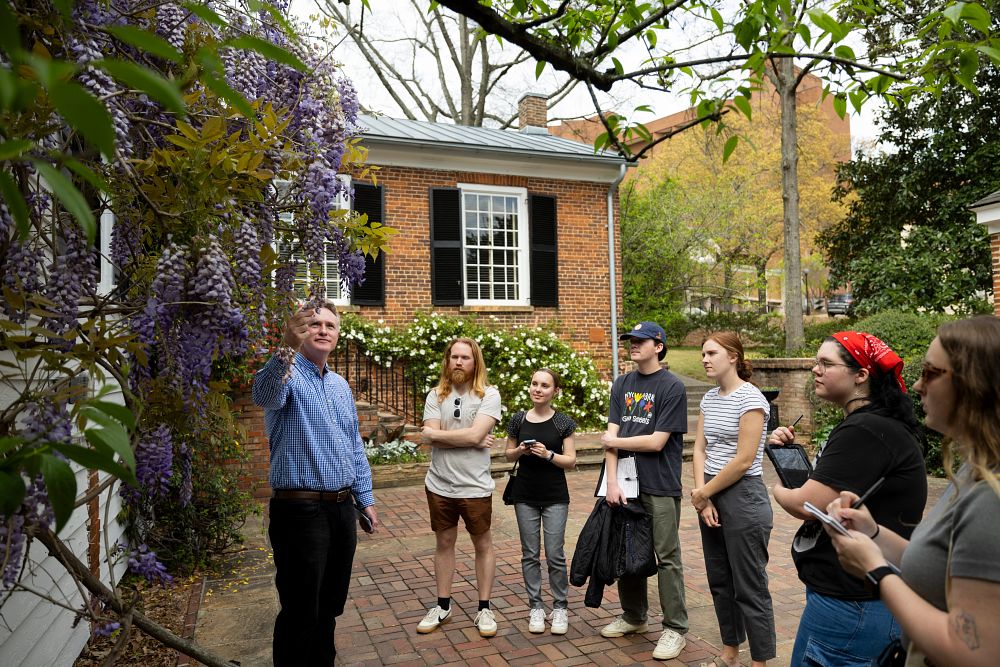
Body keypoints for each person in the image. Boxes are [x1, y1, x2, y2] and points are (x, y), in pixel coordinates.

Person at [824, 316, 1000, 667]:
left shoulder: (991, 496)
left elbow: (973, 652)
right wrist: (872, 533)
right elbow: (936, 564)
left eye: (932, 373)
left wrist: (876, 572)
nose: (918, 385)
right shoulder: (975, 470)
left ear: (974, 385)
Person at [769, 331, 927, 665]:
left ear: (861, 375)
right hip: (861, 596)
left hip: (852, 604)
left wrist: (778, 490)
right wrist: (787, 455)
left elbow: (806, 505)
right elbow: (833, 486)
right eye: (815, 362)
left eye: (826, 363)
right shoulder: (871, 424)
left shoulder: (864, 429)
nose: (815, 370)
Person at [252, 301, 379, 667]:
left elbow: (353, 444)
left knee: (329, 607)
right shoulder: (286, 375)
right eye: (315, 324)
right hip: (300, 512)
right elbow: (264, 394)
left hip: (341, 509)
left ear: (337, 335)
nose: (323, 330)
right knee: (300, 609)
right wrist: (285, 349)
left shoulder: (339, 385)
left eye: (330, 325)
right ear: (301, 331)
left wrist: (364, 497)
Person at [599, 321, 690, 661]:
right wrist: (610, 482)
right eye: (630, 341)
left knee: (666, 557)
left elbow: (656, 442)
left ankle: (675, 628)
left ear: (659, 346)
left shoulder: (672, 387)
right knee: (628, 553)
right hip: (624, 483)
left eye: (641, 341)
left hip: (660, 485)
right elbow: (610, 439)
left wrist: (617, 441)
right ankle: (634, 616)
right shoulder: (622, 383)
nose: (633, 345)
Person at [691, 333, 775, 667]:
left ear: (733, 357)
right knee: (720, 580)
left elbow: (743, 460)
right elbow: (699, 449)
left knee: (749, 585)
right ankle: (729, 653)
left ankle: (760, 661)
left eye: (711, 353)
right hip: (710, 492)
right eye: (702, 354)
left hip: (743, 495)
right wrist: (703, 496)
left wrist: (704, 493)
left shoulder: (751, 399)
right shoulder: (709, 399)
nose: (705, 359)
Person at [416, 337, 502, 637]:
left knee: (483, 545)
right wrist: (472, 437)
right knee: (444, 544)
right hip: (439, 484)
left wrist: (439, 435)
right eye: (454, 357)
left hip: (475, 486)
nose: (459, 362)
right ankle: (442, 606)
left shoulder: (489, 395)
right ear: (447, 361)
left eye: (465, 357)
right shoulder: (435, 395)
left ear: (475, 362)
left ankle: (484, 609)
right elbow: (431, 435)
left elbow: (434, 435)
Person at [504, 368, 578, 635]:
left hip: (555, 495)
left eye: (544, 385)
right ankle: (536, 606)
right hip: (524, 494)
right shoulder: (518, 419)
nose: (537, 389)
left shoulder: (563, 422)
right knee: (530, 553)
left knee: (555, 554)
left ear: (555, 391)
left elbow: (570, 461)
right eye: (534, 383)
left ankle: (560, 607)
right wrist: (520, 450)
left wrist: (548, 455)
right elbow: (507, 455)